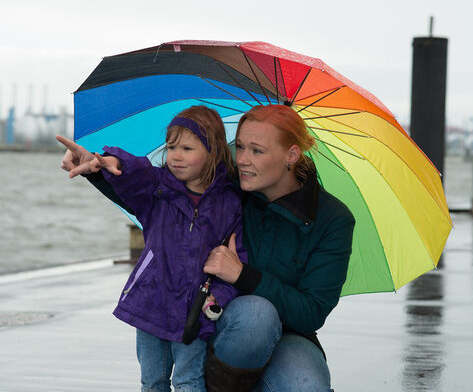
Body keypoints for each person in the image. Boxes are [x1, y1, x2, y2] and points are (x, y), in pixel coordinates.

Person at [60, 104, 355, 392]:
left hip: (290, 336)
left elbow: (311, 313)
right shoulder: (223, 186)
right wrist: (96, 170)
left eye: (257, 151)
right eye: (239, 147)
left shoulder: (332, 219)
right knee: (255, 316)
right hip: (215, 322)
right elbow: (160, 201)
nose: (242, 160)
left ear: (291, 154)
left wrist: (241, 274)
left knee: (305, 385)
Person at [57, 105, 248, 392]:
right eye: (171, 147)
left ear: (213, 151)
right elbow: (134, 171)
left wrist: (216, 299)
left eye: (187, 147)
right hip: (152, 302)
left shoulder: (229, 202)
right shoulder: (158, 188)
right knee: (153, 381)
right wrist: (108, 160)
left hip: (194, 311)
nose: (176, 155)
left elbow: (236, 258)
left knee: (188, 380)